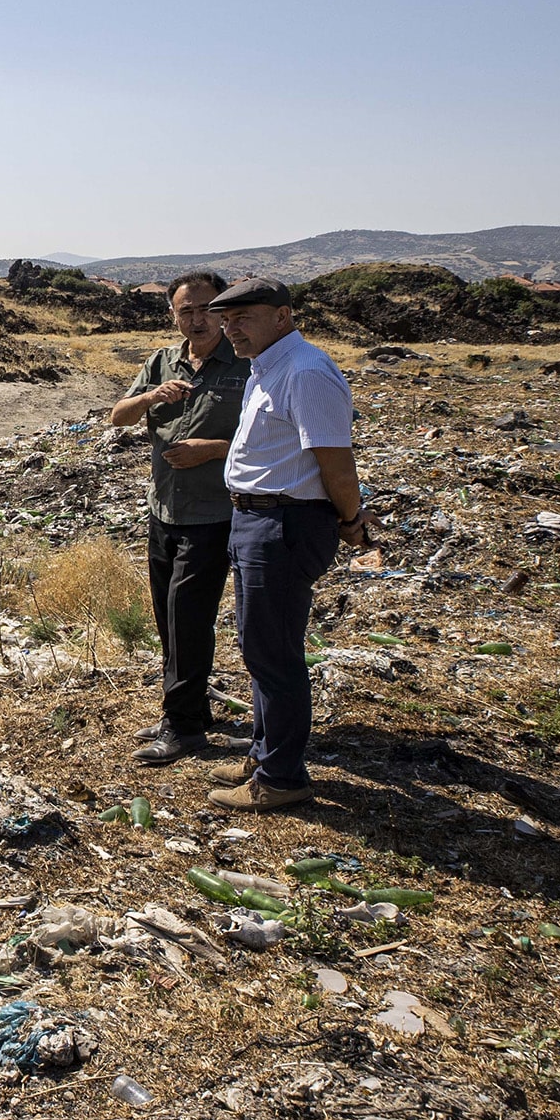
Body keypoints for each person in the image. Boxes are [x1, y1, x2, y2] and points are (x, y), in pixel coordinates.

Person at [202, 275, 369, 811]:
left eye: (242, 319)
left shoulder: (306, 372)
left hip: (284, 524)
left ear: (282, 316)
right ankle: (264, 751)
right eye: (226, 322)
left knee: (273, 650)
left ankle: (282, 777)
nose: (231, 332)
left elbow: (336, 464)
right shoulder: (268, 368)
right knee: (258, 644)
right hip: (258, 521)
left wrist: (351, 520)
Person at [107, 270, 251, 766]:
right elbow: (117, 417)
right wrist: (150, 397)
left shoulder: (247, 364)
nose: (196, 319)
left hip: (215, 514)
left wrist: (213, 450)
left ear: (224, 310)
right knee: (168, 619)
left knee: (190, 618)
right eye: (185, 311)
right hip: (163, 508)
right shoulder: (162, 361)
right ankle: (185, 708)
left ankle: (185, 728)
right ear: (174, 315)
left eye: (206, 308)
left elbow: (277, 439)